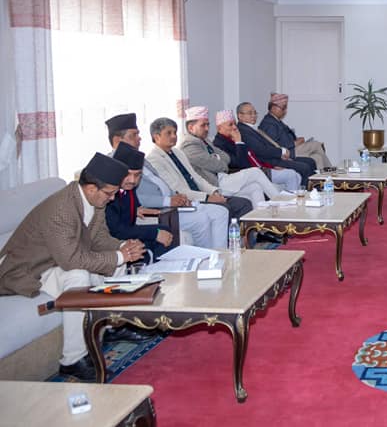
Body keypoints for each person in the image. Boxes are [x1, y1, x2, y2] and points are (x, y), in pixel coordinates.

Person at [0, 153, 146, 382]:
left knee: (116, 262)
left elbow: (99, 238)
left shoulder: (95, 200)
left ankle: (112, 326)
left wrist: (122, 246)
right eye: (109, 193)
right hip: (28, 268)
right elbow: (71, 261)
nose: (112, 198)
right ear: (91, 188)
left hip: (55, 260)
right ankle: (72, 361)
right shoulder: (60, 209)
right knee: (78, 276)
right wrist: (119, 256)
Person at [106, 113, 231, 250]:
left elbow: (163, 183)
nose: (139, 138)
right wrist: (168, 201)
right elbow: (134, 197)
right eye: (134, 135)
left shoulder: (141, 159)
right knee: (200, 219)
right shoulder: (113, 165)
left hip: (170, 205)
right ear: (117, 140)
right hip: (157, 210)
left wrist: (177, 197)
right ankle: (206, 258)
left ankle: (220, 255)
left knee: (220, 212)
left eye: (138, 134)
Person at [146, 117, 252, 222]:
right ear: (157, 136)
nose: (174, 136)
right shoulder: (154, 159)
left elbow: (196, 177)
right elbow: (177, 189)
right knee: (225, 208)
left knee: (244, 203)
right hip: (188, 200)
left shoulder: (178, 153)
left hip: (202, 194)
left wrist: (214, 192)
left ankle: (239, 233)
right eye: (168, 133)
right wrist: (207, 198)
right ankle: (230, 233)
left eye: (175, 132)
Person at [179, 106, 287, 205]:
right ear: (191, 127)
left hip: (223, 178)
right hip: (214, 185)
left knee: (255, 187)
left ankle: (259, 218)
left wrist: (219, 158)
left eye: (208, 125)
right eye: (203, 125)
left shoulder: (204, 140)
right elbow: (218, 165)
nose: (207, 128)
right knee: (255, 172)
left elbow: (226, 158)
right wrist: (220, 159)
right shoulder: (189, 145)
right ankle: (281, 202)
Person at [106, 141, 175, 261]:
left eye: (137, 175)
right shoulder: (108, 193)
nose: (132, 180)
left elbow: (132, 204)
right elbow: (116, 230)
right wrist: (154, 234)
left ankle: (163, 268)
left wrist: (136, 209)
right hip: (114, 239)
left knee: (165, 231)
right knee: (158, 234)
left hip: (128, 232)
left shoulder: (128, 187)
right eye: (128, 174)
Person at [213, 109, 301, 193]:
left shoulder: (232, 138)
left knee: (297, 176)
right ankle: (288, 202)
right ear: (219, 128)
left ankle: (289, 200)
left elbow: (252, 157)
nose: (235, 127)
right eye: (230, 125)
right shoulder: (219, 144)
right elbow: (240, 163)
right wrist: (238, 142)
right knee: (291, 175)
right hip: (247, 174)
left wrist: (271, 166)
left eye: (235, 124)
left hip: (261, 168)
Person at [235, 102, 313, 187]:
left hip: (274, 157)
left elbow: (268, 145)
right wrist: (281, 152)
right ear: (240, 116)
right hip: (268, 162)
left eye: (255, 113)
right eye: (250, 113)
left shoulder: (251, 128)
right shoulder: (243, 131)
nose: (253, 115)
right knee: (304, 167)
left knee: (310, 161)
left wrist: (281, 154)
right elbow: (260, 150)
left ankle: (314, 189)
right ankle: (304, 192)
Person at [259, 92, 332, 171]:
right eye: (283, 108)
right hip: (289, 152)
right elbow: (273, 146)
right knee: (316, 145)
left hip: (293, 149)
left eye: (285, 108)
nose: (285, 111)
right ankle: (332, 172)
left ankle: (322, 178)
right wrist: (295, 143)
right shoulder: (269, 123)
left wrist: (296, 140)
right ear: (273, 108)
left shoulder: (275, 121)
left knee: (317, 157)